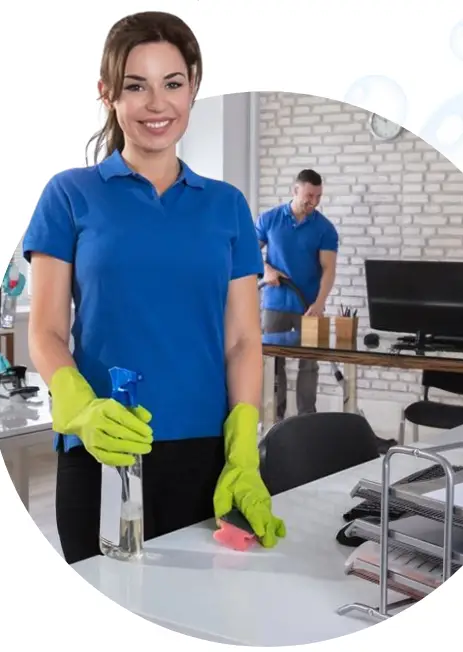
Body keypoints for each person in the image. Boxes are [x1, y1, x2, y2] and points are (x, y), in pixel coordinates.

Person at [22, 10, 285, 565]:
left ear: (192, 88)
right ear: (108, 94)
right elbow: (45, 331)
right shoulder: (70, 195)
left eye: (173, 84)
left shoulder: (227, 205)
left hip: (206, 456)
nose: (156, 104)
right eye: (135, 86)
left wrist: (243, 446)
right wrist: (81, 410)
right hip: (102, 454)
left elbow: (242, 339)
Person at [256, 170, 338, 420]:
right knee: (273, 364)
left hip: (308, 307)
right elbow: (246, 254)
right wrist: (266, 269)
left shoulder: (325, 229)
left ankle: (306, 420)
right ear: (295, 190)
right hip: (275, 304)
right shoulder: (269, 219)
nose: (314, 201)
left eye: (318, 196)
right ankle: (274, 420)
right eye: (309, 195)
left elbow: (329, 269)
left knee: (309, 365)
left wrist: (320, 303)